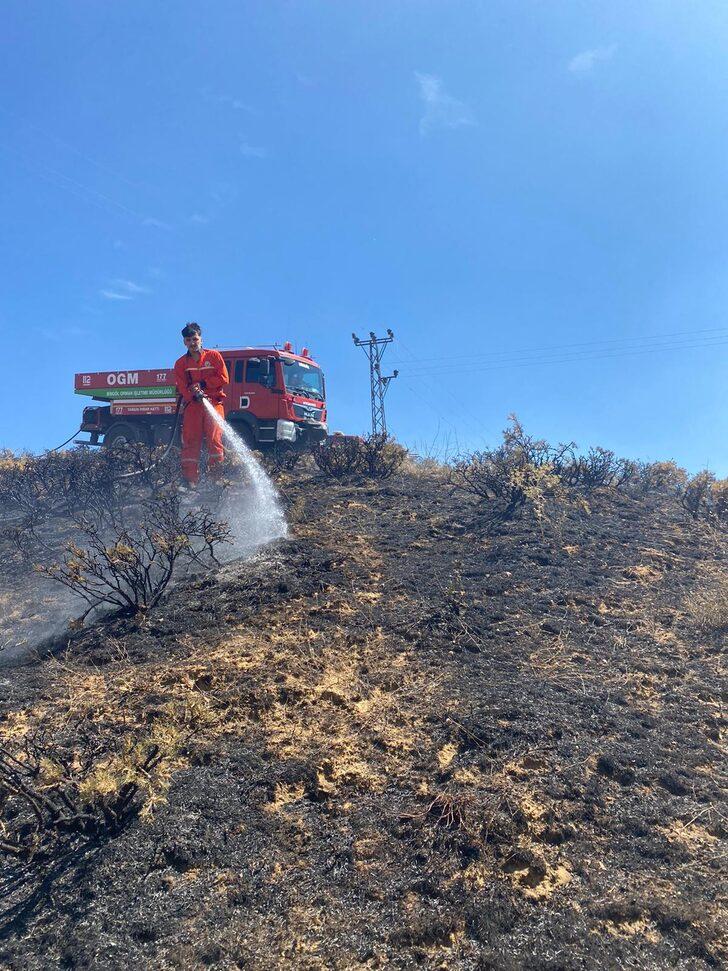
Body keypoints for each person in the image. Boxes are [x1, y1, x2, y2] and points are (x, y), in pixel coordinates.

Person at [173, 322, 229, 488]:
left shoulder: (214, 357)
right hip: (194, 406)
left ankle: (216, 479)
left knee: (214, 439)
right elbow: (182, 386)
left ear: (201, 339)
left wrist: (203, 385)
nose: (192, 342)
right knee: (190, 441)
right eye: (189, 340)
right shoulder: (181, 363)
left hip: (214, 403)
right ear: (184, 342)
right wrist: (193, 395)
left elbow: (224, 378)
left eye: (195, 339)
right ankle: (190, 481)